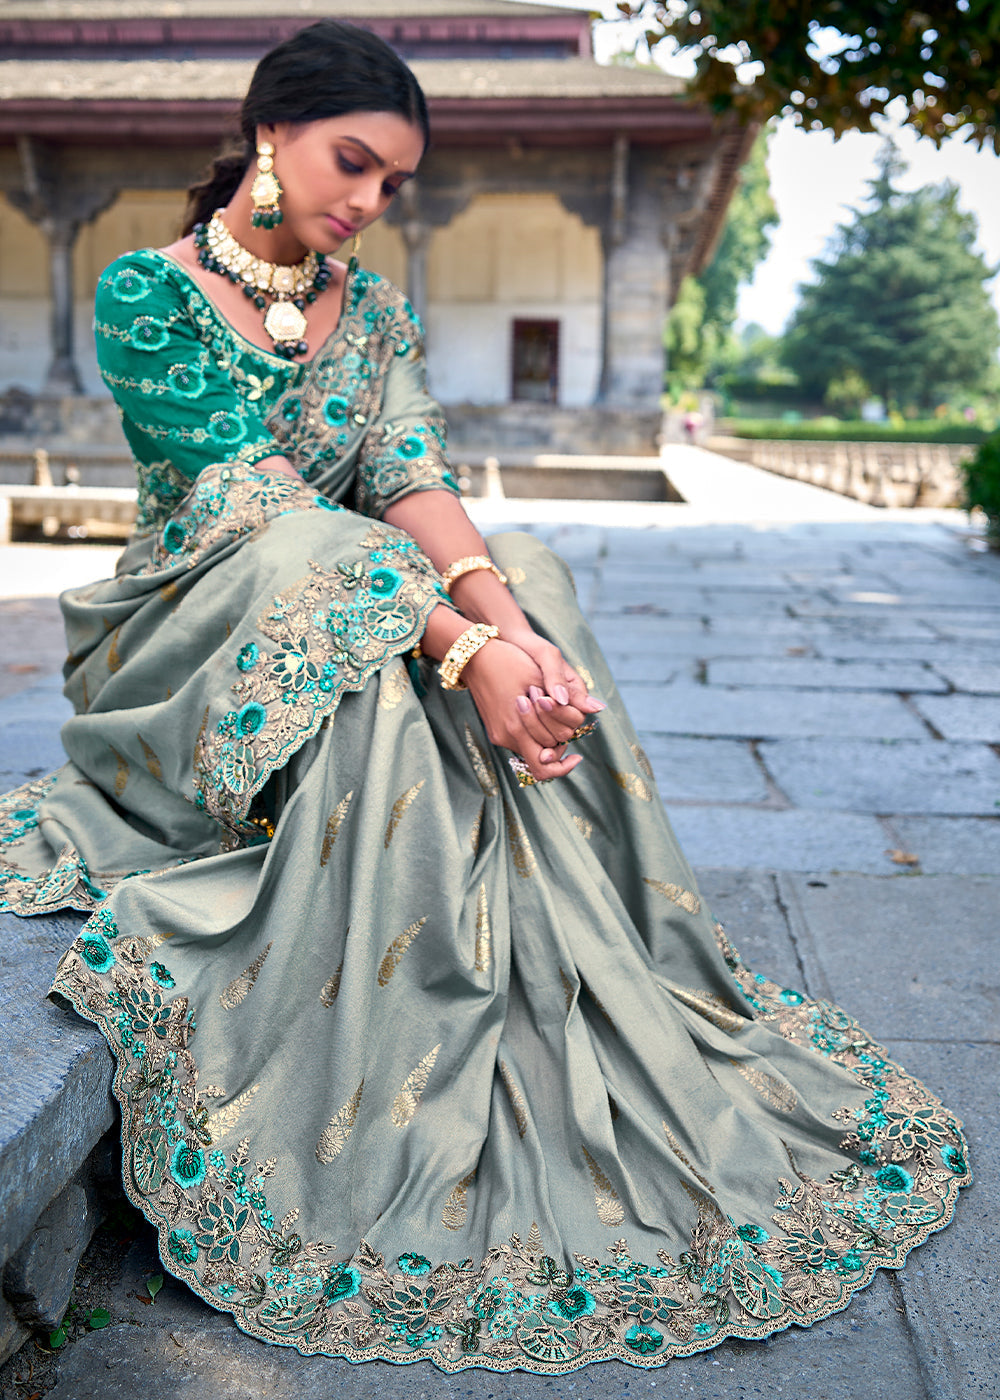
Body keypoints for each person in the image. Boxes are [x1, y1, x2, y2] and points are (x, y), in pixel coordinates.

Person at [0, 20, 968, 1375]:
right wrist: (460, 647)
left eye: (396, 184)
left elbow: (409, 474)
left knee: (533, 570)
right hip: (200, 628)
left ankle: (560, 954)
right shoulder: (142, 293)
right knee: (335, 566)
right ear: (268, 132)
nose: (371, 203)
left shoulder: (375, 309)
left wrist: (506, 622)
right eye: (354, 163)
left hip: (370, 586)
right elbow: (245, 502)